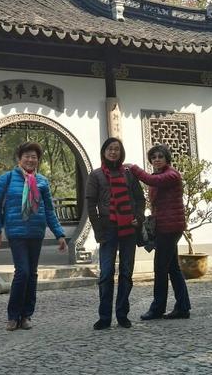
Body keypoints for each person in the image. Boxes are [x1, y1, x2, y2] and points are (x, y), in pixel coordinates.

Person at [0, 141, 68, 331]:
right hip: (16, 232)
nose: (30, 160)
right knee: (22, 272)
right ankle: (13, 316)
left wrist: (59, 234)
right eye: (27, 156)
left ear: (38, 160)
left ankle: (26, 316)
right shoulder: (7, 178)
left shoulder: (42, 181)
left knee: (31, 274)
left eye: (34, 157)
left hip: (36, 232)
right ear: (19, 158)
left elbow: (49, 210)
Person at [86, 137, 146, 330]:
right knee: (106, 273)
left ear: (121, 153)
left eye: (116, 149)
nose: (113, 152)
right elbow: (91, 206)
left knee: (126, 273)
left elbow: (140, 199)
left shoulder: (129, 174)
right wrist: (98, 230)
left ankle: (122, 314)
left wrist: (139, 217)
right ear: (104, 152)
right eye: (110, 149)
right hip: (108, 228)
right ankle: (104, 317)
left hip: (128, 229)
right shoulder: (96, 175)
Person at [131, 145, 191, 320]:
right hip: (165, 227)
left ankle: (157, 308)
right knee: (173, 268)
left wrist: (133, 168)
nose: (156, 159)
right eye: (153, 157)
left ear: (167, 159)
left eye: (160, 156)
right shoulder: (159, 175)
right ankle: (183, 307)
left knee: (160, 268)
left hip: (170, 228)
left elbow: (151, 180)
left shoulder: (171, 175)